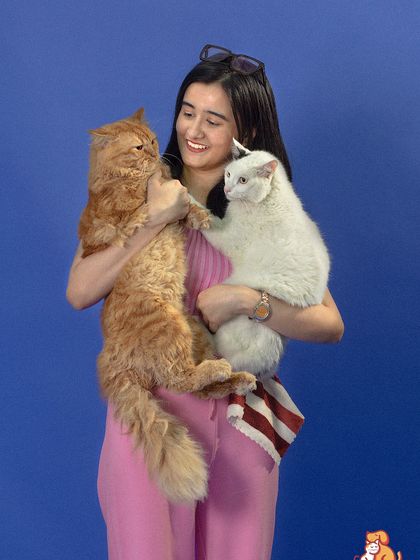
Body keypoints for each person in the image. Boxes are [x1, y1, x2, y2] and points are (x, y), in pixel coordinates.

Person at [67, 45, 344, 560]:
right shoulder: (137, 187)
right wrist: (153, 219)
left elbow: (330, 323)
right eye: (187, 112)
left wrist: (247, 300)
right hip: (152, 415)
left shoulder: (267, 208)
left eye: (214, 121)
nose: (193, 130)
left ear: (247, 132)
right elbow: (80, 290)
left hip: (241, 420)